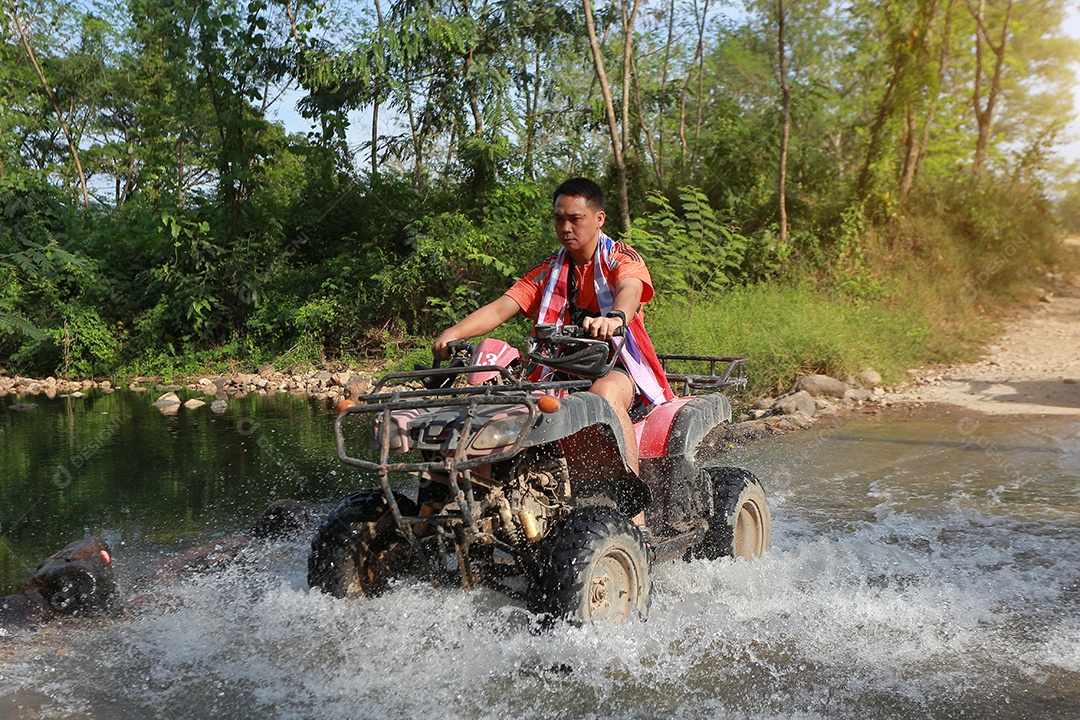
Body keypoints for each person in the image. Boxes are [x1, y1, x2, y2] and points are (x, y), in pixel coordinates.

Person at [433, 177, 673, 475]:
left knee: (604, 396)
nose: (566, 228)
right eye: (559, 219)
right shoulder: (549, 270)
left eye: (575, 219)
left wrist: (614, 318)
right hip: (557, 368)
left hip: (616, 366)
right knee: (495, 407)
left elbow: (630, 290)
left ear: (599, 219)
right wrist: (454, 333)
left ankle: (631, 505)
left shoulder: (619, 258)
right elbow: (500, 308)